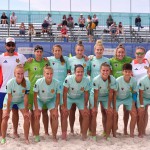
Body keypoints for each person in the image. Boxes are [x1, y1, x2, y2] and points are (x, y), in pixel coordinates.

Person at [0, 37, 27, 137]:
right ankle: (1, 132)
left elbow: (28, 65)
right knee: (2, 112)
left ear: (15, 46)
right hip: (3, 89)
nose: (10, 46)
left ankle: (15, 131)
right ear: (5, 46)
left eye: (12, 45)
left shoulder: (21, 57)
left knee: (15, 112)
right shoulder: (1, 57)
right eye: (8, 45)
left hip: (17, 89)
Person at [1, 64, 30, 144]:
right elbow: (9, 98)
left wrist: (26, 111)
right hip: (9, 100)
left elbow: (26, 97)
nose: (20, 75)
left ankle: (26, 138)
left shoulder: (27, 82)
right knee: (5, 117)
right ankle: (3, 138)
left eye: (22, 73)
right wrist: (7, 111)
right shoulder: (10, 83)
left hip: (20, 100)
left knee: (27, 117)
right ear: (14, 74)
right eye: (18, 73)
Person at [24, 45, 50, 136]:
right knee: (33, 112)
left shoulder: (46, 62)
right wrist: (25, 62)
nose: (39, 53)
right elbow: (19, 71)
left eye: (40, 52)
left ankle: (46, 132)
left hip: (44, 91)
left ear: (42, 53)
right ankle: (34, 132)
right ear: (34, 53)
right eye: (37, 51)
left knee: (45, 112)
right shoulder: (30, 62)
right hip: (32, 91)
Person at [61, 64, 90, 140]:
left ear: (84, 72)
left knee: (86, 114)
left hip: (79, 98)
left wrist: (85, 105)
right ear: (74, 72)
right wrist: (64, 105)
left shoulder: (86, 80)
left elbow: (86, 93)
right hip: (69, 97)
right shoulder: (69, 79)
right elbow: (64, 92)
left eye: (81, 72)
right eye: (78, 72)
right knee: (64, 113)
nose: (80, 73)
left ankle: (84, 134)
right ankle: (64, 134)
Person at [68, 40, 90, 135]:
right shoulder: (70, 60)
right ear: (75, 50)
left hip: (83, 88)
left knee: (82, 111)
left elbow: (89, 73)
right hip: (72, 87)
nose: (80, 52)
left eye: (81, 50)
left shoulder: (87, 60)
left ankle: (82, 129)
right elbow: (68, 71)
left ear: (83, 50)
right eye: (78, 50)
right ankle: (72, 129)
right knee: (72, 110)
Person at [89, 63, 116, 140]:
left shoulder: (112, 79)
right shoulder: (96, 79)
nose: (105, 72)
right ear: (100, 71)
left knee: (109, 112)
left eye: (107, 70)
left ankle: (107, 134)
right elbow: (96, 94)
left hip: (106, 96)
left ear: (110, 71)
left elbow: (111, 93)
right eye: (103, 70)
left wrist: (109, 107)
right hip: (95, 96)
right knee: (94, 113)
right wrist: (94, 107)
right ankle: (93, 134)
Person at [110, 44, 132, 135]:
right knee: (115, 111)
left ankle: (125, 129)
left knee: (126, 111)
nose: (120, 54)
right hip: (116, 90)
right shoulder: (111, 60)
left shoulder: (128, 60)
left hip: (126, 89)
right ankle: (115, 128)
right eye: (119, 52)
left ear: (125, 53)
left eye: (122, 52)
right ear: (116, 52)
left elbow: (138, 60)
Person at [33, 66, 60, 142]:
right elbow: (35, 97)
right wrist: (36, 109)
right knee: (37, 116)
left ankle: (54, 136)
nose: (49, 75)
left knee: (55, 115)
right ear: (44, 74)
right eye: (47, 73)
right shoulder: (38, 82)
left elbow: (58, 96)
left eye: (51, 73)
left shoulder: (56, 82)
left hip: (50, 100)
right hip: (40, 99)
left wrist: (56, 109)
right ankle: (37, 136)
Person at [47, 45, 69, 134]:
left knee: (63, 113)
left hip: (63, 90)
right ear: (53, 51)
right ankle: (53, 133)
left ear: (61, 51)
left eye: (59, 50)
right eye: (55, 50)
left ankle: (64, 133)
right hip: (52, 90)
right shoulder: (49, 60)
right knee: (53, 113)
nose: (57, 52)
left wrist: (86, 57)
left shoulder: (66, 60)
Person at [113, 63, 138, 138]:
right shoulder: (118, 80)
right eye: (126, 71)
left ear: (131, 72)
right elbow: (114, 93)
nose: (127, 73)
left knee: (134, 114)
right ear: (122, 72)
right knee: (114, 114)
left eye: (129, 72)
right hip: (117, 98)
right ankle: (114, 131)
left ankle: (131, 132)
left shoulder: (133, 80)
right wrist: (114, 105)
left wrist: (133, 103)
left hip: (127, 98)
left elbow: (134, 92)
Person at [137, 66, 150, 138]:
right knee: (141, 113)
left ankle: (144, 130)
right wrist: (142, 105)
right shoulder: (143, 80)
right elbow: (141, 94)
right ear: (148, 71)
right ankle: (140, 131)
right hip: (143, 98)